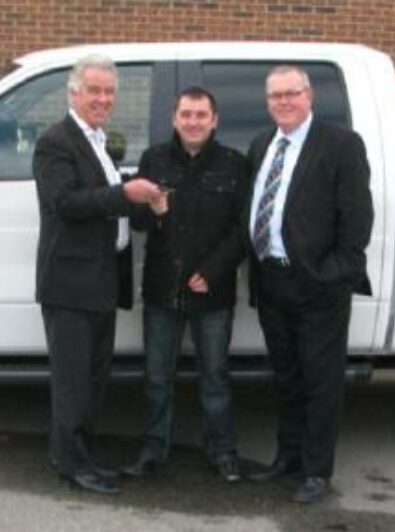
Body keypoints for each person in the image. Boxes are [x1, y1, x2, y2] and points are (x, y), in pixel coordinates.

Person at [33, 54, 162, 495]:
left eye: (109, 92)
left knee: (92, 379)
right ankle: (70, 465)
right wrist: (124, 192)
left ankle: (82, 455)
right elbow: (65, 203)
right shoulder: (56, 141)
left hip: (101, 281)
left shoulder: (98, 141)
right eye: (94, 90)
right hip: (70, 284)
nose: (103, 99)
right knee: (73, 381)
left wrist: (143, 203)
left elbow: (108, 204)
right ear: (74, 92)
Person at [245, 65, 373, 503]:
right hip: (271, 280)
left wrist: (336, 271)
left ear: (309, 96)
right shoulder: (262, 143)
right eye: (275, 96)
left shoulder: (341, 144)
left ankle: (317, 471)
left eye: (292, 93)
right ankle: (289, 457)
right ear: (267, 102)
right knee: (286, 376)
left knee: (321, 380)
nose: (284, 102)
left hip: (319, 284)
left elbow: (357, 218)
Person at [122, 87, 250, 482]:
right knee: (157, 377)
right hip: (162, 287)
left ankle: (222, 451)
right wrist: (155, 211)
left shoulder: (234, 164)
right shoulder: (154, 159)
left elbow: (243, 230)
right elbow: (138, 223)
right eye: (186, 115)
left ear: (214, 120)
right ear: (174, 119)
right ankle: (153, 450)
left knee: (215, 377)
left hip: (213, 290)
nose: (193, 122)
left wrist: (213, 271)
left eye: (201, 115)